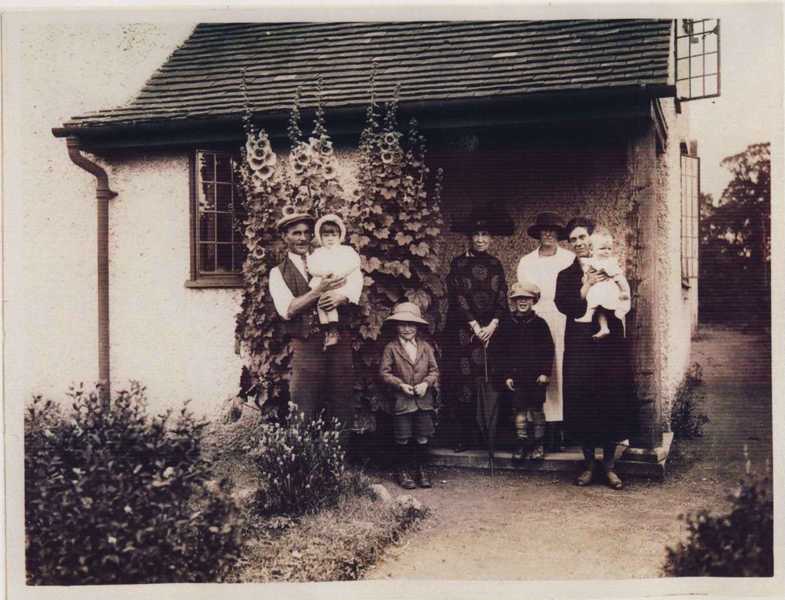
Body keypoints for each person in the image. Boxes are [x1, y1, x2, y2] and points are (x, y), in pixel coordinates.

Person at [267, 209, 363, 441]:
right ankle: (303, 463)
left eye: (306, 233)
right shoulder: (278, 273)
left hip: (338, 338)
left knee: (342, 398)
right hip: (306, 343)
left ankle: (339, 462)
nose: (302, 238)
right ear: (284, 237)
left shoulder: (328, 256)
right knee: (303, 401)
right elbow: (288, 310)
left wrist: (343, 297)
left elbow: (354, 279)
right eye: (295, 233)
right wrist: (317, 292)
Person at [554, 217, 634, 490]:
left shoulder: (609, 265)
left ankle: (610, 467)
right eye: (572, 239)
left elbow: (622, 297)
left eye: (582, 237)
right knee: (583, 399)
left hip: (609, 343)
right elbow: (567, 307)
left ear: (591, 237)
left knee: (611, 397)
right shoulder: (566, 274)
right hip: (580, 343)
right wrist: (586, 284)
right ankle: (589, 465)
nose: (578, 243)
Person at [445, 209, 511, 453]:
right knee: (464, 383)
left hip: (490, 332)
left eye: (485, 235)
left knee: (488, 380)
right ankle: (463, 436)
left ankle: (488, 434)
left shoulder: (495, 264)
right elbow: (458, 297)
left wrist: (493, 325)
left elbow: (502, 297)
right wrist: (474, 325)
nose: (481, 239)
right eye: (476, 235)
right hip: (464, 331)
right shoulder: (458, 263)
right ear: (470, 238)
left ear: (490, 238)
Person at [515, 212, 574, 442]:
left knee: (560, 368)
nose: (548, 234)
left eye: (553, 230)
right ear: (538, 234)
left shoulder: (568, 259)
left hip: (563, 318)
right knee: (538, 368)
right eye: (544, 230)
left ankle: (561, 426)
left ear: (559, 234)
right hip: (536, 321)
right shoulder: (527, 261)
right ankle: (537, 428)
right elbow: (526, 293)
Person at [379, 302, 440, 489]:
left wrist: (425, 384)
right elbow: (384, 373)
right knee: (402, 437)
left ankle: (422, 470)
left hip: (423, 400)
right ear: (396, 326)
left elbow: (434, 370)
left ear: (418, 326)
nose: (407, 329)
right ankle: (403, 472)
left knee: (422, 436)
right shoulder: (391, 348)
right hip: (402, 401)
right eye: (402, 324)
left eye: (411, 324)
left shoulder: (426, 347)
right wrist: (400, 385)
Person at [496, 281, 555, 461]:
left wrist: (545, 372)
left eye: (527, 299)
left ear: (533, 301)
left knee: (537, 409)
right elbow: (501, 351)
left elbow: (548, 350)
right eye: (519, 299)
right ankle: (521, 444)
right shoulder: (507, 324)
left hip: (536, 376)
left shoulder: (540, 324)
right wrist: (506, 375)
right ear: (514, 301)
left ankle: (538, 444)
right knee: (519, 410)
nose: (523, 302)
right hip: (516, 376)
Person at [307, 213, 363, 349]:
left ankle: (333, 330)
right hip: (324, 284)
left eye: (334, 235)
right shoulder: (318, 253)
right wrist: (323, 273)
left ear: (340, 236)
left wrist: (341, 274)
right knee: (321, 303)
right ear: (320, 237)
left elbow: (355, 264)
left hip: (340, 286)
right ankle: (326, 329)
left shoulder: (347, 251)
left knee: (331, 303)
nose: (330, 239)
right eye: (326, 235)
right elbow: (311, 268)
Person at [574, 226, 631, 339]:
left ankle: (601, 319)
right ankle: (602, 326)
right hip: (596, 290)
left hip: (608, 291)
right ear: (592, 249)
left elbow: (618, 277)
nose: (606, 251)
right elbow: (587, 275)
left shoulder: (610, 263)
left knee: (600, 305)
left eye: (609, 249)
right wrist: (586, 280)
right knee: (597, 307)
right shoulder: (592, 262)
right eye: (602, 248)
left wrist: (623, 291)